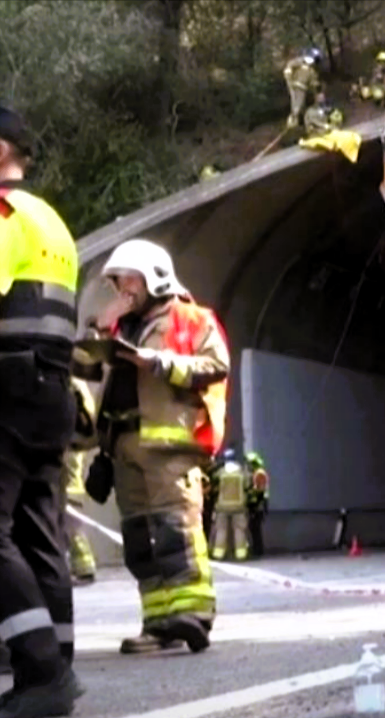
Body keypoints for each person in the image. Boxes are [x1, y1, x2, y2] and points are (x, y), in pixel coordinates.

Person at [76, 238, 229, 656]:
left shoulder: (192, 318)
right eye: (116, 281)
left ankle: (193, 615)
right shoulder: (118, 326)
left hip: (170, 447)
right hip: (123, 447)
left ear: (154, 278)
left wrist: (156, 362)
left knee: (176, 530)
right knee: (140, 540)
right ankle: (158, 623)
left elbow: (216, 365)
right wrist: (98, 327)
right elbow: (83, 367)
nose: (121, 288)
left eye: (128, 279)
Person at [0, 104, 84, 718]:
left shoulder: (3, 213)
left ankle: (42, 670)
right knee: (37, 530)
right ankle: (56, 664)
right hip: (50, 389)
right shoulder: (50, 220)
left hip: (7, 385)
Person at [61, 379, 97, 586]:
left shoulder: (71, 382)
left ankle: (84, 567)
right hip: (70, 444)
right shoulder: (76, 382)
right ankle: (80, 566)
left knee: (70, 510)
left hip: (68, 446)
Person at [283, 47, 323, 129]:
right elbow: (288, 69)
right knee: (296, 105)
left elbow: (313, 83)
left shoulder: (312, 71)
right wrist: (290, 79)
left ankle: (303, 124)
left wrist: (317, 90)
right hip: (294, 86)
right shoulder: (299, 62)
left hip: (303, 89)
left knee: (302, 106)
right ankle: (292, 123)